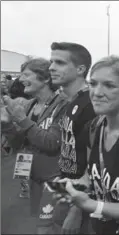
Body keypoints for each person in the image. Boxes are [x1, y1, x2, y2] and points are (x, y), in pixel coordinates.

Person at [53, 56, 119, 235]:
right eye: (93, 84)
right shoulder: (94, 127)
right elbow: (92, 175)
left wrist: (90, 205)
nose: (97, 92)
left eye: (109, 85)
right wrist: (74, 185)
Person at [1, 58, 68, 234]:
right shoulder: (31, 105)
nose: (20, 79)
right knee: (43, 227)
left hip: (56, 180)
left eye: (26, 74)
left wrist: (22, 120)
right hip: (35, 180)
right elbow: (18, 144)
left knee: (47, 229)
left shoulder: (63, 104)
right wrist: (7, 124)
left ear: (45, 79)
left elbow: (52, 143)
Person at [49, 42, 96, 233]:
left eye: (59, 63)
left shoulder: (90, 104)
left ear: (80, 69)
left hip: (84, 198)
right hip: (67, 187)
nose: (51, 67)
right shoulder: (70, 101)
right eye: (52, 62)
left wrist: (77, 209)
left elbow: (96, 161)